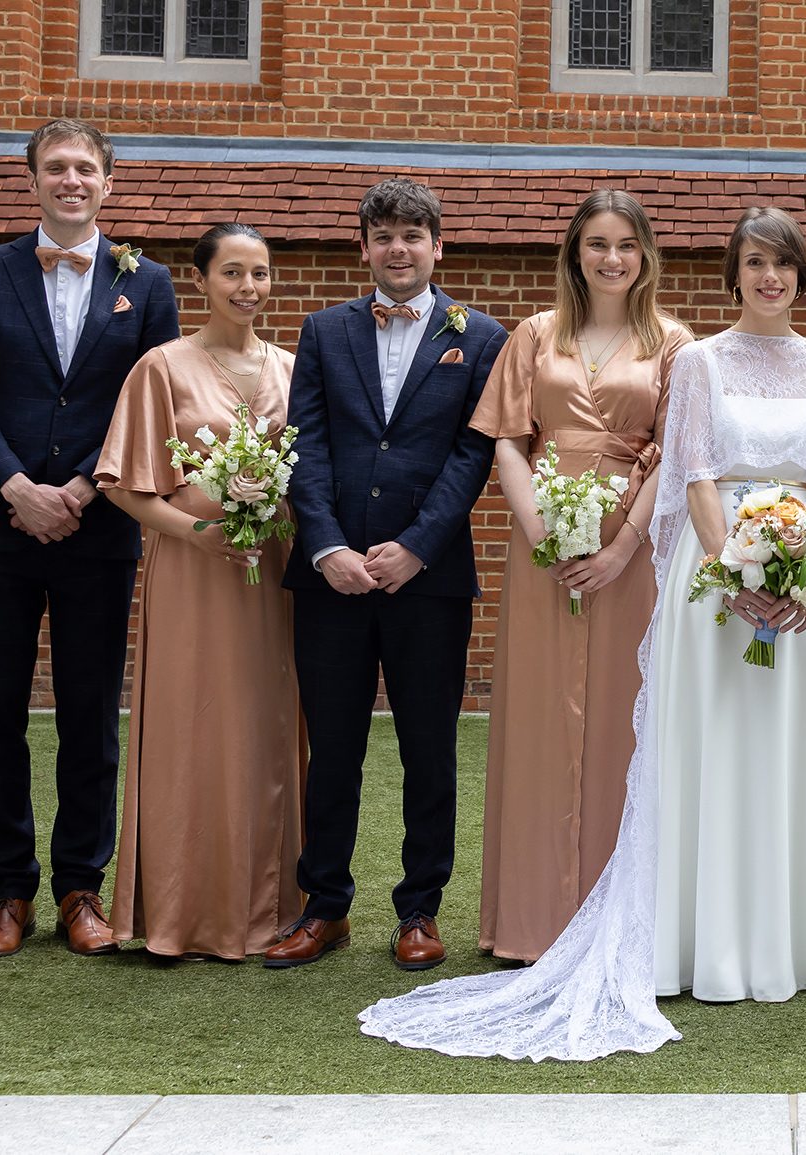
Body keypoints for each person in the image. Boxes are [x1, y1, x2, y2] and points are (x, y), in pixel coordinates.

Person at [358, 206, 806, 1060]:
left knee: (780, 752)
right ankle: (623, 924)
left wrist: (802, 566)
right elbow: (691, 470)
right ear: (732, 270)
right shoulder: (664, 353)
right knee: (675, 750)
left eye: (783, 263)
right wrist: (727, 568)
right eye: (754, 261)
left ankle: (797, 935)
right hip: (684, 573)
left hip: (776, 576)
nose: (769, 277)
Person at [0, 118, 180, 959]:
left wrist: (79, 486)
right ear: (31, 180)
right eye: (55, 168)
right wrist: (14, 487)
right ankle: (8, 890)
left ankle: (82, 884)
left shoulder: (147, 281)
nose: (71, 180)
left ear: (109, 183)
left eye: (86, 169)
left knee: (89, 712)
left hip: (98, 524)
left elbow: (151, 403)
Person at [263, 178, 508, 971]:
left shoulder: (482, 337)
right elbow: (306, 441)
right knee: (331, 747)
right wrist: (326, 544)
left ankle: (419, 909)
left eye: (413, 235)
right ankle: (324, 904)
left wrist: (418, 545)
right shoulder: (324, 330)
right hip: (329, 577)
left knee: (428, 747)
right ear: (362, 247)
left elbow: (474, 453)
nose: (398, 248)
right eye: (384, 235)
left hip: (427, 579)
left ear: (439, 246)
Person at [474, 191, 691, 963]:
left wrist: (622, 548)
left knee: (622, 722)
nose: (611, 258)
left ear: (646, 256)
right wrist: (539, 531)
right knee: (539, 723)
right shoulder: (535, 334)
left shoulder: (673, 343)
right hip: (544, 552)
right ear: (575, 253)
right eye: (596, 243)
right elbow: (507, 438)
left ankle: (620, 914)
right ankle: (532, 918)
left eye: (626, 245)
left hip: (628, 553)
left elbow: (677, 456)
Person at [93, 223, 304, 961]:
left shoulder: (291, 367)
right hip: (192, 568)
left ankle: (273, 903)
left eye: (261, 273)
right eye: (233, 273)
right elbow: (122, 484)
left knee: (266, 724)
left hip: (270, 571)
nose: (249, 288)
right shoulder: (162, 367)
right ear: (202, 281)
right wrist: (195, 532)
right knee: (191, 721)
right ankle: (182, 909)